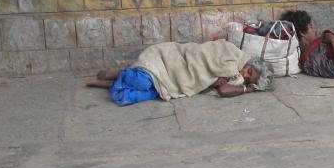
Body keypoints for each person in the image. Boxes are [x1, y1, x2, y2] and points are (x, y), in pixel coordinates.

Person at [88, 39, 272, 105]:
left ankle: (111, 82)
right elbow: (204, 57)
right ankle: (122, 73)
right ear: (248, 62)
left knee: (151, 93)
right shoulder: (230, 51)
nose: (245, 75)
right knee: (143, 82)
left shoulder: (236, 77)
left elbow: (223, 89)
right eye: (248, 70)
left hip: (174, 80)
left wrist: (245, 87)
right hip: (172, 60)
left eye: (248, 78)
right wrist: (247, 89)